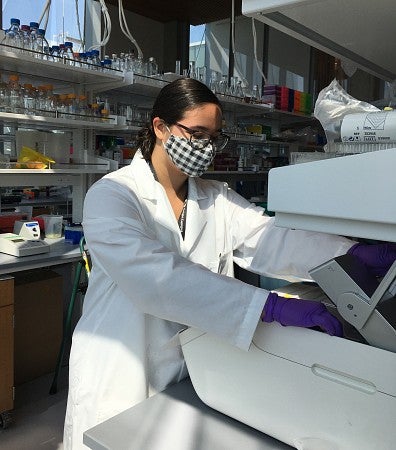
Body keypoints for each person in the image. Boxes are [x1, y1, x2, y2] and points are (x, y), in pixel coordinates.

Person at [63, 78, 396, 449]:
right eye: (197, 133)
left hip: (192, 367)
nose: (206, 148)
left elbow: (270, 238)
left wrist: (346, 254)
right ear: (160, 128)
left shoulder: (214, 197)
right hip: (120, 367)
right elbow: (154, 278)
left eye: (214, 137)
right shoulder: (113, 195)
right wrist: (266, 306)